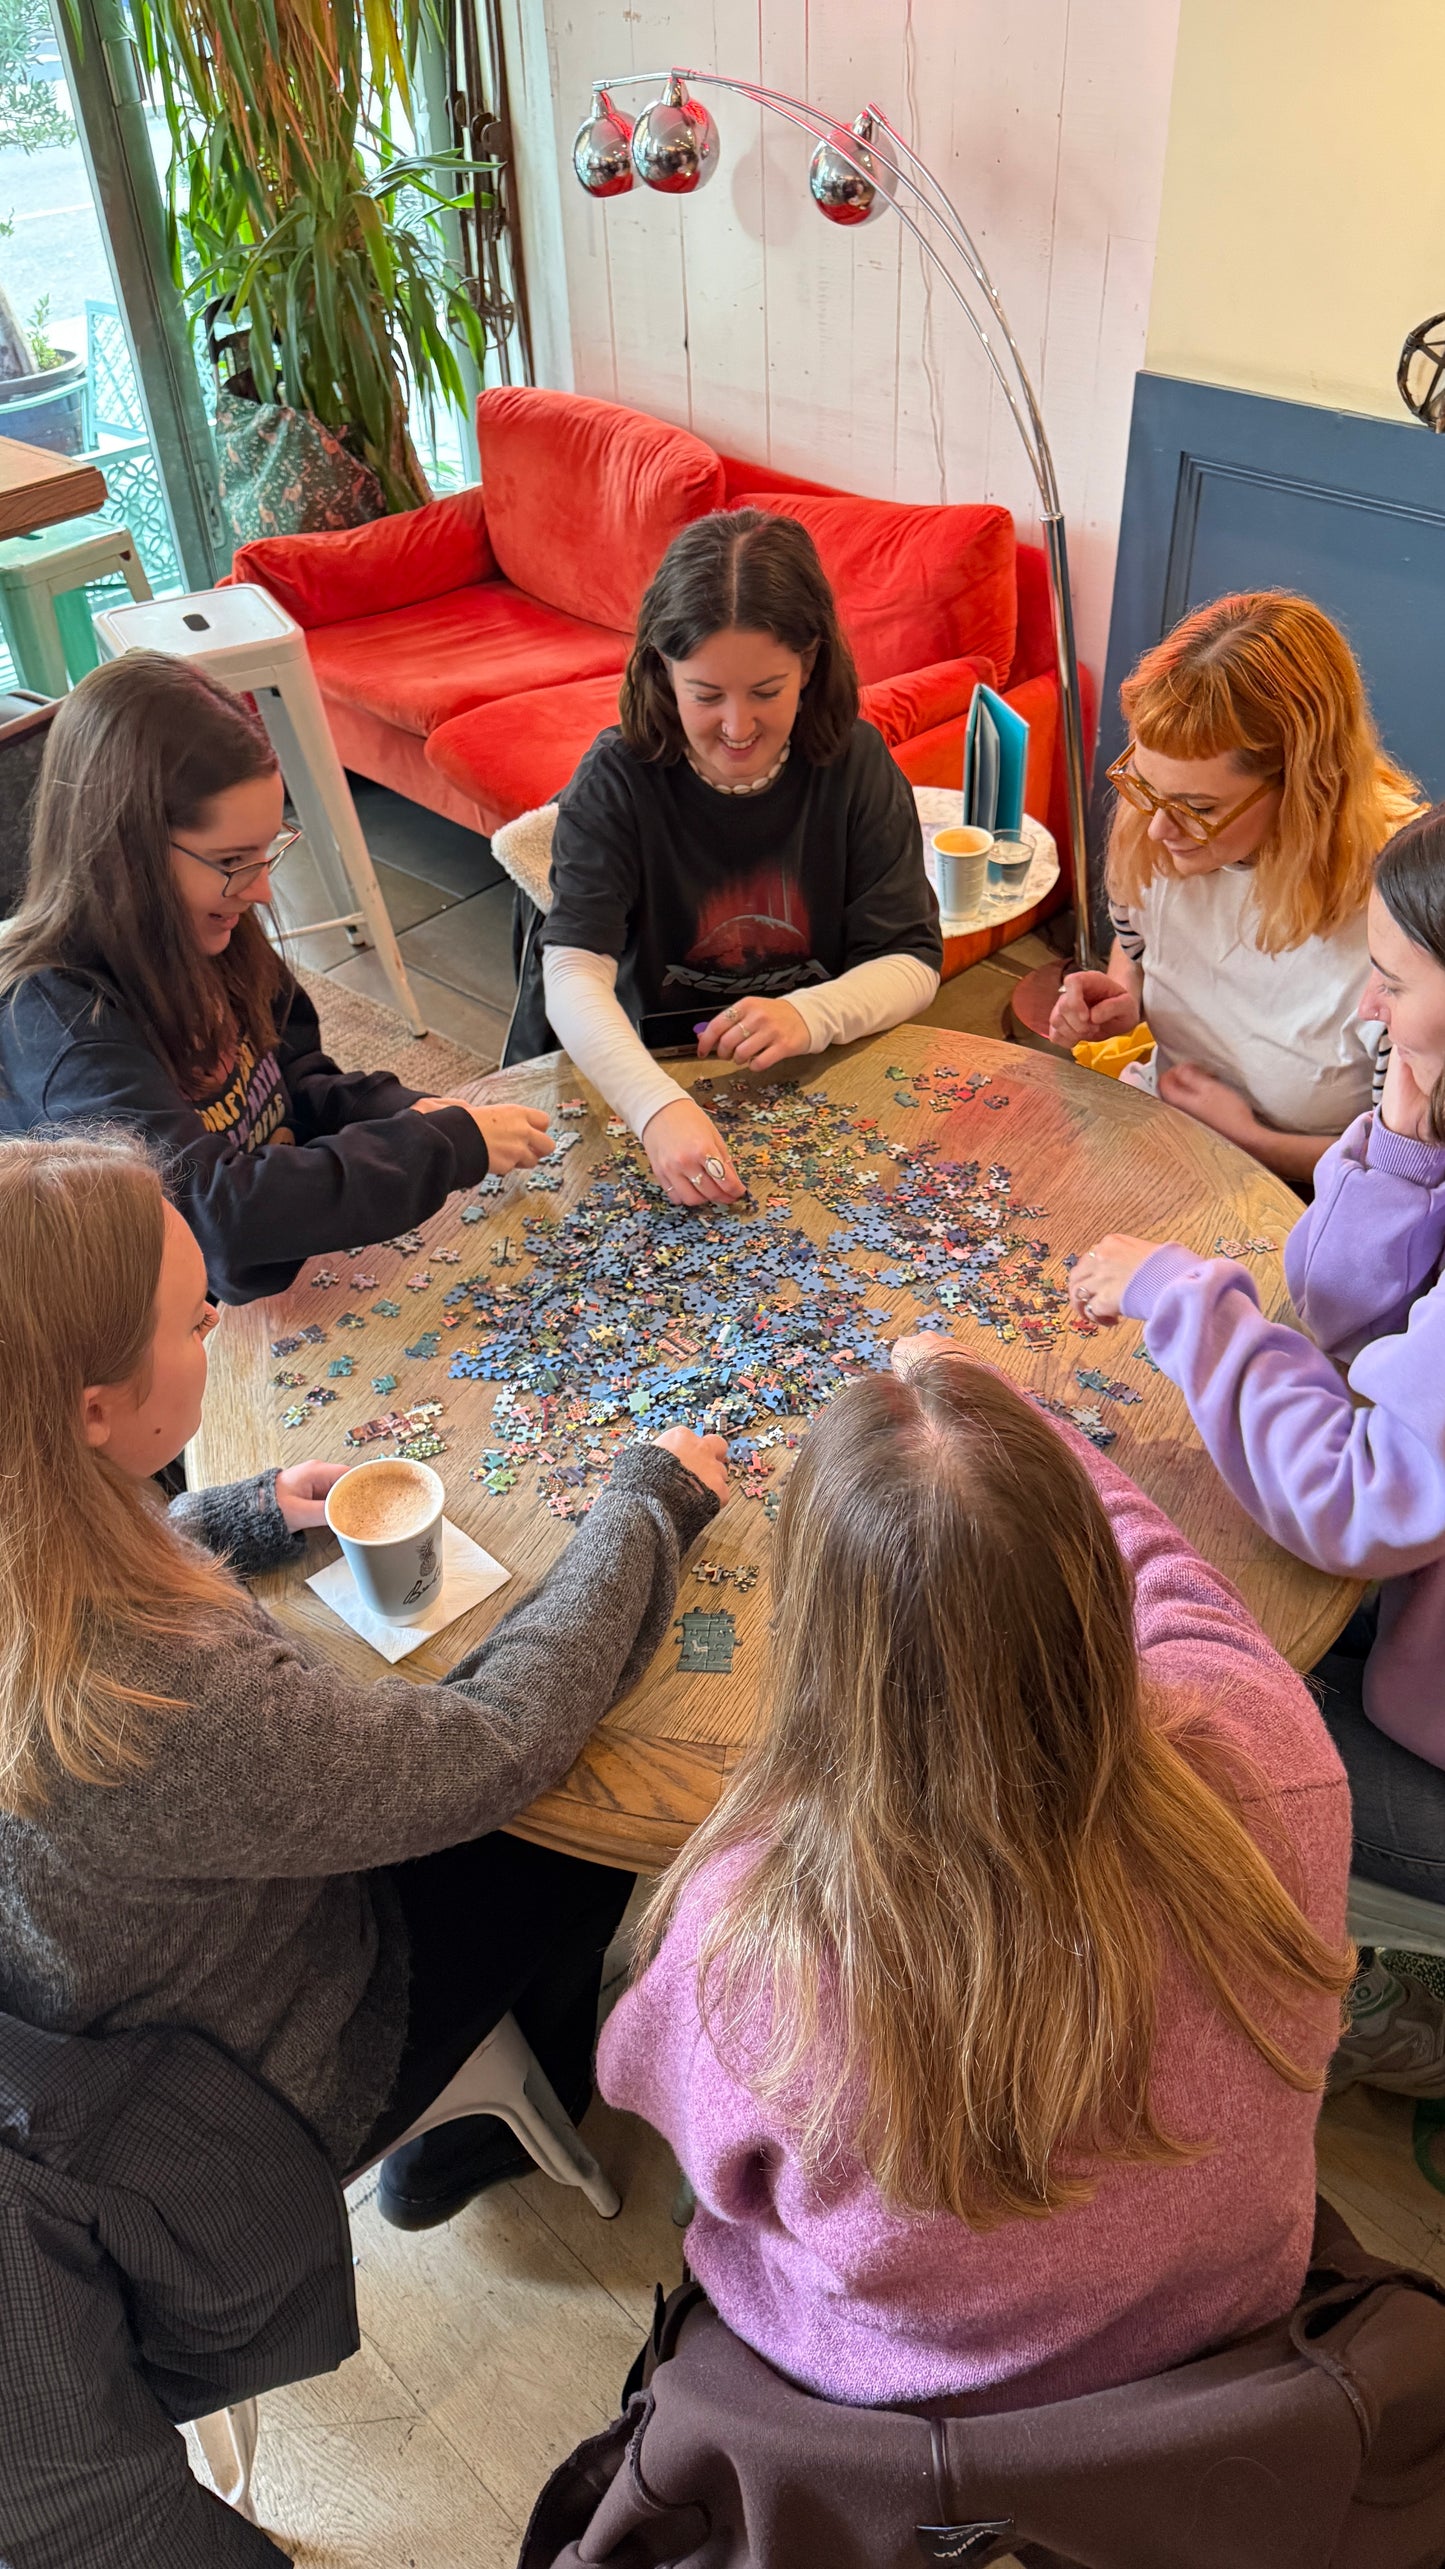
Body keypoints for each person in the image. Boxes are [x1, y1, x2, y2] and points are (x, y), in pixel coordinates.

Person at [0, 1127, 728, 2230]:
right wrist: (646, 1505)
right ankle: (466, 2141)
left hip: (102, 1999)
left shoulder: (33, 1523)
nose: (215, 1326)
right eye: (195, 1320)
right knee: (574, 1842)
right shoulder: (167, 1697)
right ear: (95, 1408)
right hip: (267, 2084)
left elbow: (78, 1561)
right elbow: (494, 1742)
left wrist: (230, 1517)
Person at [599, 1348, 1351, 2409]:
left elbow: (655, 2100)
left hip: (911, 2401)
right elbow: (1177, 1584)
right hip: (1226, 2340)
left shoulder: (747, 1939)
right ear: (1089, 1593)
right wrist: (1023, 1429)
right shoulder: (1270, 1748)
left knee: (727, 2188)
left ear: (814, 1641)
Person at [1068, 803, 1445, 2090]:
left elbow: (1353, 1501)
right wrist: (1400, 1124)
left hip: (1429, 1735)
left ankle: (1388, 2009)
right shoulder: (1427, 1085)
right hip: (1412, 1627)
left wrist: (1183, 1299)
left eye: (1390, 982)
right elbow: (1332, 1301)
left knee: (1125, 1733)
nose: (1367, 1006)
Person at [0, 652, 553, 1302]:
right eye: (233, 859)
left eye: (266, 850)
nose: (261, 888)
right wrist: (430, 1149)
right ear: (124, 854)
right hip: (145, 1327)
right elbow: (218, 1221)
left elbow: (295, 1079)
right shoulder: (66, 1030)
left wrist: (412, 1114)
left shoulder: (202, 923)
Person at [536, 509, 942, 1209]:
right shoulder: (616, 778)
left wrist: (810, 1013)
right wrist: (655, 1106)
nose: (736, 726)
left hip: (821, 1074)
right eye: (704, 694)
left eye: (765, 692)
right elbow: (572, 970)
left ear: (809, 664)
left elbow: (912, 962)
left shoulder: (857, 764)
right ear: (662, 668)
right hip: (649, 1075)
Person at [1050, 592, 1420, 1183]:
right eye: (1146, 787)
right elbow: (1140, 952)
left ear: (1304, 788)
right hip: (1164, 1135)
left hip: (1315, 1194)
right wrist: (1121, 1002)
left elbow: (1408, 1166)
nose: (1158, 827)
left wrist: (1253, 1142)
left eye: (1198, 805)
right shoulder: (1156, 824)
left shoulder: (1402, 910)